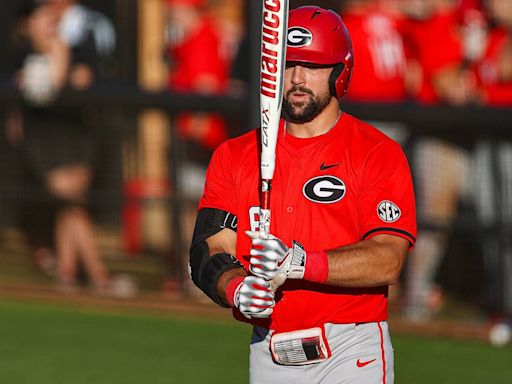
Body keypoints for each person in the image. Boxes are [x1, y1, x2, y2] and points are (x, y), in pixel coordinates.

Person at [189, 6, 416, 383]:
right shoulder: (234, 156)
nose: (297, 78)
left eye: (312, 66)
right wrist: (235, 287)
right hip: (268, 348)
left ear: (340, 73)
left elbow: (388, 259)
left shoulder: (377, 152)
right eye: (289, 64)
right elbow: (206, 250)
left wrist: (299, 263)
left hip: (351, 349)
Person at [8, 0, 111, 294]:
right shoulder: (21, 56)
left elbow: (83, 78)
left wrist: (61, 53)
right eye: (45, 21)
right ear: (30, 26)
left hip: (76, 137)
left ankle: (67, 273)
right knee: (73, 204)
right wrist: (57, 54)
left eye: (55, 21)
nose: (52, 26)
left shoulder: (76, 48)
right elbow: (48, 87)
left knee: (71, 206)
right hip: (44, 143)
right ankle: (99, 276)